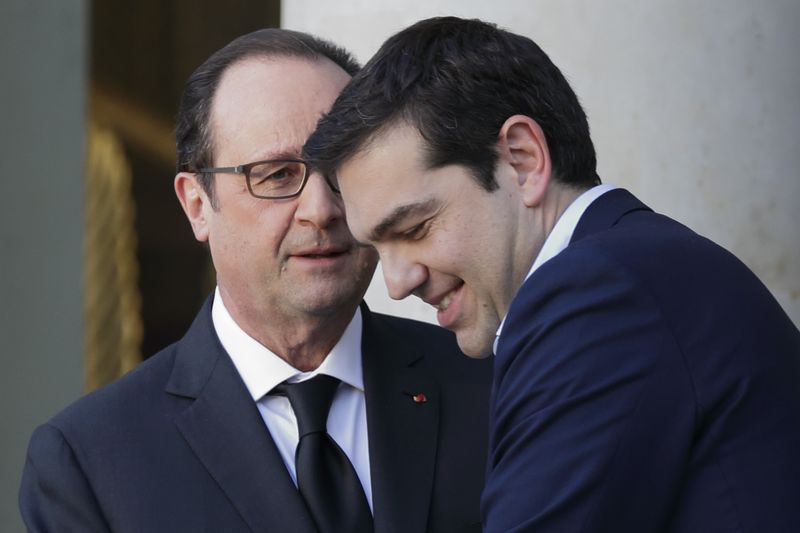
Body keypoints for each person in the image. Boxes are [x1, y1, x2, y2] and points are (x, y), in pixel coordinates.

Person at [303, 16, 800, 533]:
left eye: (414, 227)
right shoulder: (639, 269)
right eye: (378, 247)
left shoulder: (599, 293)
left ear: (522, 158)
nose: (397, 281)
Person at [19, 28, 492, 533]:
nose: (322, 209)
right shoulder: (90, 463)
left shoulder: (492, 388)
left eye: (341, 170)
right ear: (197, 205)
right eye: (277, 175)